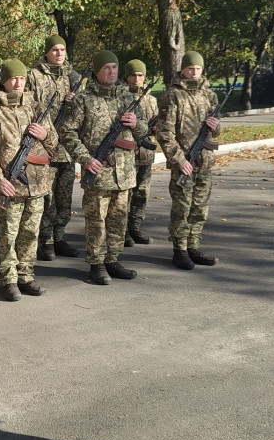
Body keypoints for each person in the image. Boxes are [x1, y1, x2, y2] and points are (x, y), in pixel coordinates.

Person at [60, 50, 148, 285]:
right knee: (96, 221)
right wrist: (86, 159)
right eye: (107, 68)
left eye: (115, 67)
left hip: (124, 173)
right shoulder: (83, 99)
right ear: (97, 71)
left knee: (119, 219)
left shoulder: (128, 98)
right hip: (98, 172)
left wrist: (136, 124)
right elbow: (67, 132)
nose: (112, 72)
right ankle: (96, 263)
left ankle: (112, 259)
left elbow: (145, 130)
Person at [0, 59, 57, 301]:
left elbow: (53, 144)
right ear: (5, 81)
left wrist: (46, 135)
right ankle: (8, 279)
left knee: (30, 234)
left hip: (37, 184)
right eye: (13, 79)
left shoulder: (37, 108)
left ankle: (26, 275)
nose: (18, 83)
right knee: (8, 235)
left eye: (21, 79)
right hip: (9, 185)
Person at [155, 50, 221, 270]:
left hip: (205, 161)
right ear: (182, 69)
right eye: (190, 68)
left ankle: (193, 245)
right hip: (184, 161)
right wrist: (178, 159)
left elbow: (217, 130)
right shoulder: (172, 95)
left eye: (198, 69)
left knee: (200, 208)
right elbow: (164, 132)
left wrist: (216, 126)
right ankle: (180, 249)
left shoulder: (210, 95)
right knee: (182, 208)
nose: (194, 72)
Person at [26, 34, 82, 261]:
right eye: (55, 50)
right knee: (45, 198)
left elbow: (83, 111)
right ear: (47, 52)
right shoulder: (34, 76)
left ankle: (59, 237)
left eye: (63, 49)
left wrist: (75, 100)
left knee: (65, 198)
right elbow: (26, 104)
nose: (59, 54)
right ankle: (45, 241)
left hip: (67, 148)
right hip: (43, 146)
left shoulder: (74, 77)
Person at [122, 59, 159, 246]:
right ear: (126, 76)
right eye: (133, 75)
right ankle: (122, 231)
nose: (137, 79)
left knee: (141, 193)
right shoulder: (121, 97)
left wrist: (156, 128)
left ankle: (135, 227)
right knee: (125, 194)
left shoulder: (151, 100)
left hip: (145, 153)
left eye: (140, 75)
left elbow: (157, 124)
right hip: (127, 153)